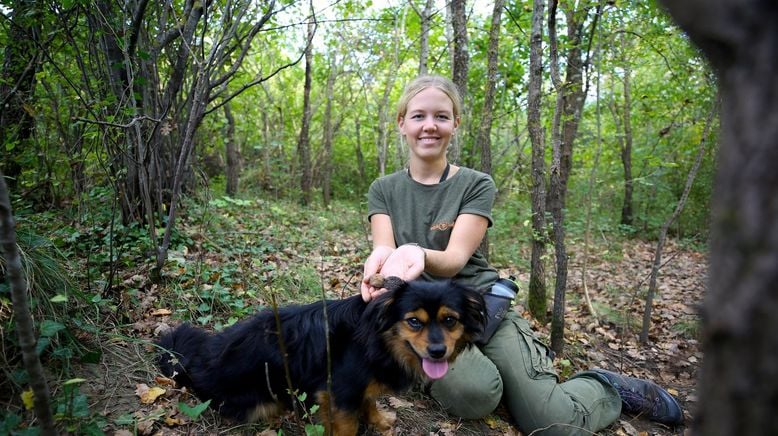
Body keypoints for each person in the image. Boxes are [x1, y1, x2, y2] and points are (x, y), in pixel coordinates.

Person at [360, 75, 684, 435]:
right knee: (475, 395)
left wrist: (417, 253)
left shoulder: (475, 183)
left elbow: (454, 259)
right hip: (420, 318)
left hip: (478, 304)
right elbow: (384, 247)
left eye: (441, 116)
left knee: (554, 425)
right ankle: (488, 377)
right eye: (418, 116)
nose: (430, 126)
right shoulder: (383, 189)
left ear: (455, 123)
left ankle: (604, 388)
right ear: (401, 122)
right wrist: (379, 263)